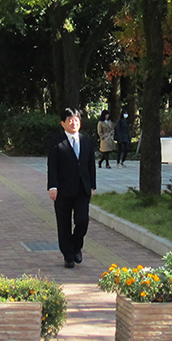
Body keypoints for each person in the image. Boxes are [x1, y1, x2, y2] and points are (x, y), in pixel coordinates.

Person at [47, 107, 97, 269]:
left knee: (82, 220)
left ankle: (77, 247)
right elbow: (52, 166)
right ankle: (68, 255)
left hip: (82, 188)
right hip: (62, 190)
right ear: (63, 123)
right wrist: (52, 186)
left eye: (76, 119)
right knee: (64, 223)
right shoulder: (56, 142)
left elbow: (91, 165)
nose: (73, 122)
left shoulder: (86, 140)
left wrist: (92, 186)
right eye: (69, 120)